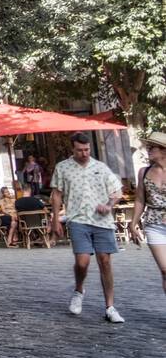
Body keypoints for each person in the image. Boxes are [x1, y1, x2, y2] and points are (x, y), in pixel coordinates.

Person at [50, 132, 126, 323]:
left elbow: (117, 192)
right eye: (79, 150)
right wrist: (55, 219)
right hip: (77, 219)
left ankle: (110, 306)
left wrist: (109, 204)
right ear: (72, 149)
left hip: (102, 221)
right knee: (82, 262)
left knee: (105, 261)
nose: (84, 153)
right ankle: (79, 289)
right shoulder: (63, 168)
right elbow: (57, 194)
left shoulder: (101, 167)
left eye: (86, 150)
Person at [129, 130, 166, 298]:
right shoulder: (143, 172)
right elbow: (140, 199)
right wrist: (133, 223)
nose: (148, 150)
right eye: (148, 147)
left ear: (163, 150)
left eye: (152, 148)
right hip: (154, 225)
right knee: (165, 270)